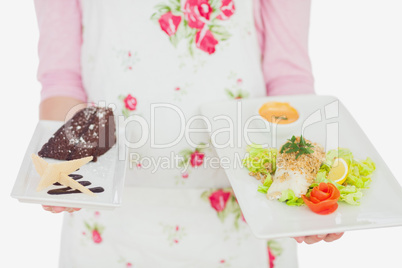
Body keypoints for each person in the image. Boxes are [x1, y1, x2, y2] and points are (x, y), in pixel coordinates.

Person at [34, 0, 343, 267]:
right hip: (107, 224)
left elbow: (288, 78)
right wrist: (65, 164)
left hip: (246, 220)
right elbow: (62, 78)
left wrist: (304, 189)